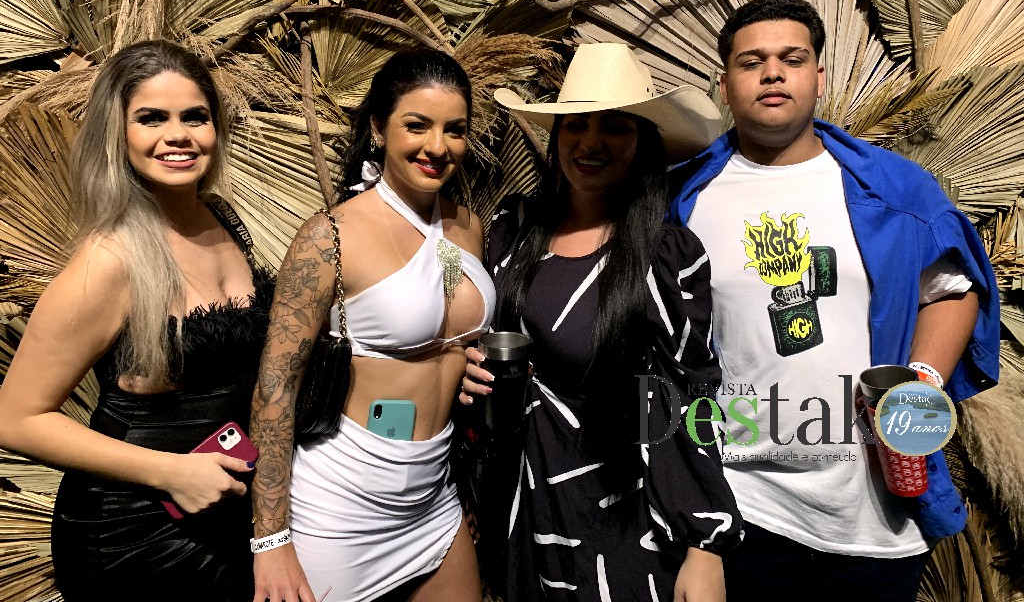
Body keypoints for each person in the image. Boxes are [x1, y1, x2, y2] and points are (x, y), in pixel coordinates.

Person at [668, 0, 1001, 599]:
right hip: (744, 501)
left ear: (818, 77)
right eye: (752, 62)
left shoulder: (894, 188)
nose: (773, 73)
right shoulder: (684, 199)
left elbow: (952, 290)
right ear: (724, 84)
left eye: (792, 59)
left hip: (873, 513)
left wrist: (920, 380)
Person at [461, 43, 742, 602]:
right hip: (518, 507)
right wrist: (463, 366)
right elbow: (467, 323)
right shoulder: (513, 231)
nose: (590, 142)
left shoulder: (665, 257)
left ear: (643, 143)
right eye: (576, 125)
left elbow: (689, 397)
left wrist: (703, 542)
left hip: (618, 519)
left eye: (615, 126)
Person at [0, 40, 272, 600]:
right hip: (132, 533)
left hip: (225, 513)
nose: (178, 135)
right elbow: (16, 419)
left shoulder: (222, 219)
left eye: (195, 117)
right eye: (151, 119)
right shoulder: (108, 261)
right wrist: (171, 472)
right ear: (117, 134)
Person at [250, 48, 495, 602]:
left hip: (434, 495)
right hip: (342, 501)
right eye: (417, 125)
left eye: (454, 130)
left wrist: (470, 363)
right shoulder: (330, 237)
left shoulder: (465, 227)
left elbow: (449, 320)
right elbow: (275, 386)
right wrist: (270, 539)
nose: (438, 146)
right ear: (379, 130)